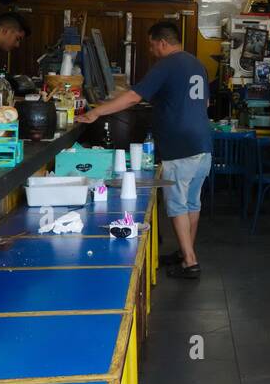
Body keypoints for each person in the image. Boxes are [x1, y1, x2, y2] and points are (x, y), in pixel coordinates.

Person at [79, 21, 210, 279]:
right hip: (203, 144)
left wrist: (96, 112)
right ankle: (187, 253)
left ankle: (190, 262)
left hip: (179, 146)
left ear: (162, 42)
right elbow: (203, 103)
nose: (151, 51)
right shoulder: (198, 64)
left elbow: (132, 97)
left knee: (177, 205)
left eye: (151, 45)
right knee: (192, 202)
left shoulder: (166, 65)